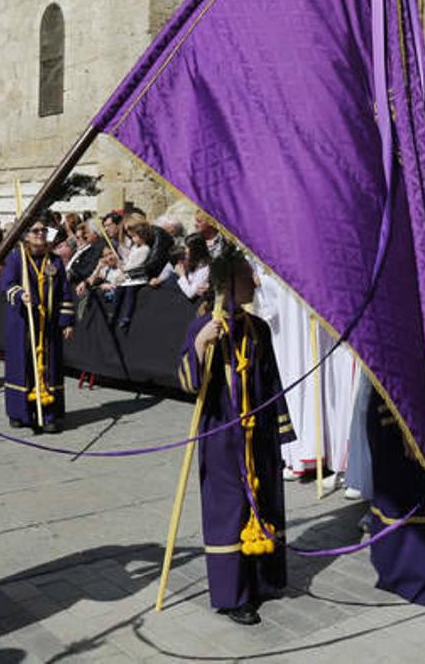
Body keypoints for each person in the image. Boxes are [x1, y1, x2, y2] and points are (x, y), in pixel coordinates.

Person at [180, 245, 293, 625]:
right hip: (222, 435)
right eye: (246, 277)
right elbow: (186, 382)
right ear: (227, 283)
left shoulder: (258, 328)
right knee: (229, 510)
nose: (254, 282)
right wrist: (200, 345)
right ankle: (234, 595)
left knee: (264, 501)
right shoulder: (202, 327)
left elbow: (272, 381)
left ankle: (264, 578)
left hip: (258, 435)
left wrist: (281, 429)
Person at [1, 223, 75, 433]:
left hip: (48, 324)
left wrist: (67, 321)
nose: (41, 234)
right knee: (22, 365)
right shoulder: (17, 258)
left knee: (50, 367)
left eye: (43, 230)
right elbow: (6, 284)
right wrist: (20, 294)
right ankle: (19, 412)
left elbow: (64, 292)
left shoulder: (55, 261)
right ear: (26, 235)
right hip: (23, 323)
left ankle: (49, 414)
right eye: (35, 231)